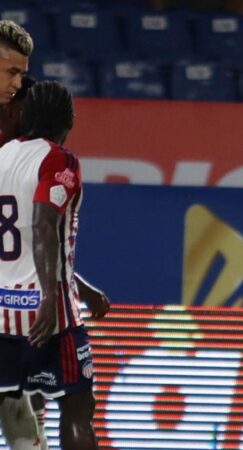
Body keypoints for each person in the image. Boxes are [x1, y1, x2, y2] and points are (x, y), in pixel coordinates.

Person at [0, 80, 107, 450]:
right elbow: (44, 226)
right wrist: (48, 297)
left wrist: (85, 288)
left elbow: (23, 237)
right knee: (78, 408)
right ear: (69, 120)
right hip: (50, 313)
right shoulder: (59, 160)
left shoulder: (2, 155)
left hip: (1, 311)